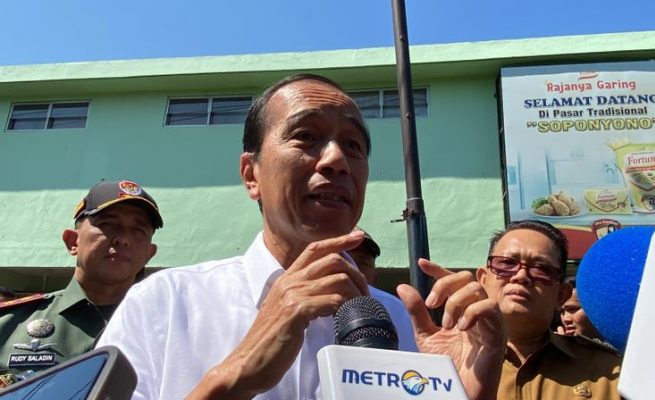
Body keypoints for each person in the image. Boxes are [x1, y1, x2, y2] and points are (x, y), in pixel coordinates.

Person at [97, 74, 505, 400]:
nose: (337, 159)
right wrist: (233, 377)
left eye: (353, 145)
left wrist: (464, 394)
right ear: (251, 175)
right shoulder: (164, 304)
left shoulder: (401, 323)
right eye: (306, 136)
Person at [422, 220, 621, 399]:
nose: (521, 276)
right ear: (483, 279)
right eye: (506, 263)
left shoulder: (611, 375)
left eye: (541, 269)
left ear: (561, 295)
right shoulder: (438, 363)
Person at [0, 180, 161, 386]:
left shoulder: (166, 327)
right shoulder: (10, 323)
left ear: (149, 254)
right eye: (108, 224)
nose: (123, 239)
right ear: (72, 241)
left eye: (138, 230)